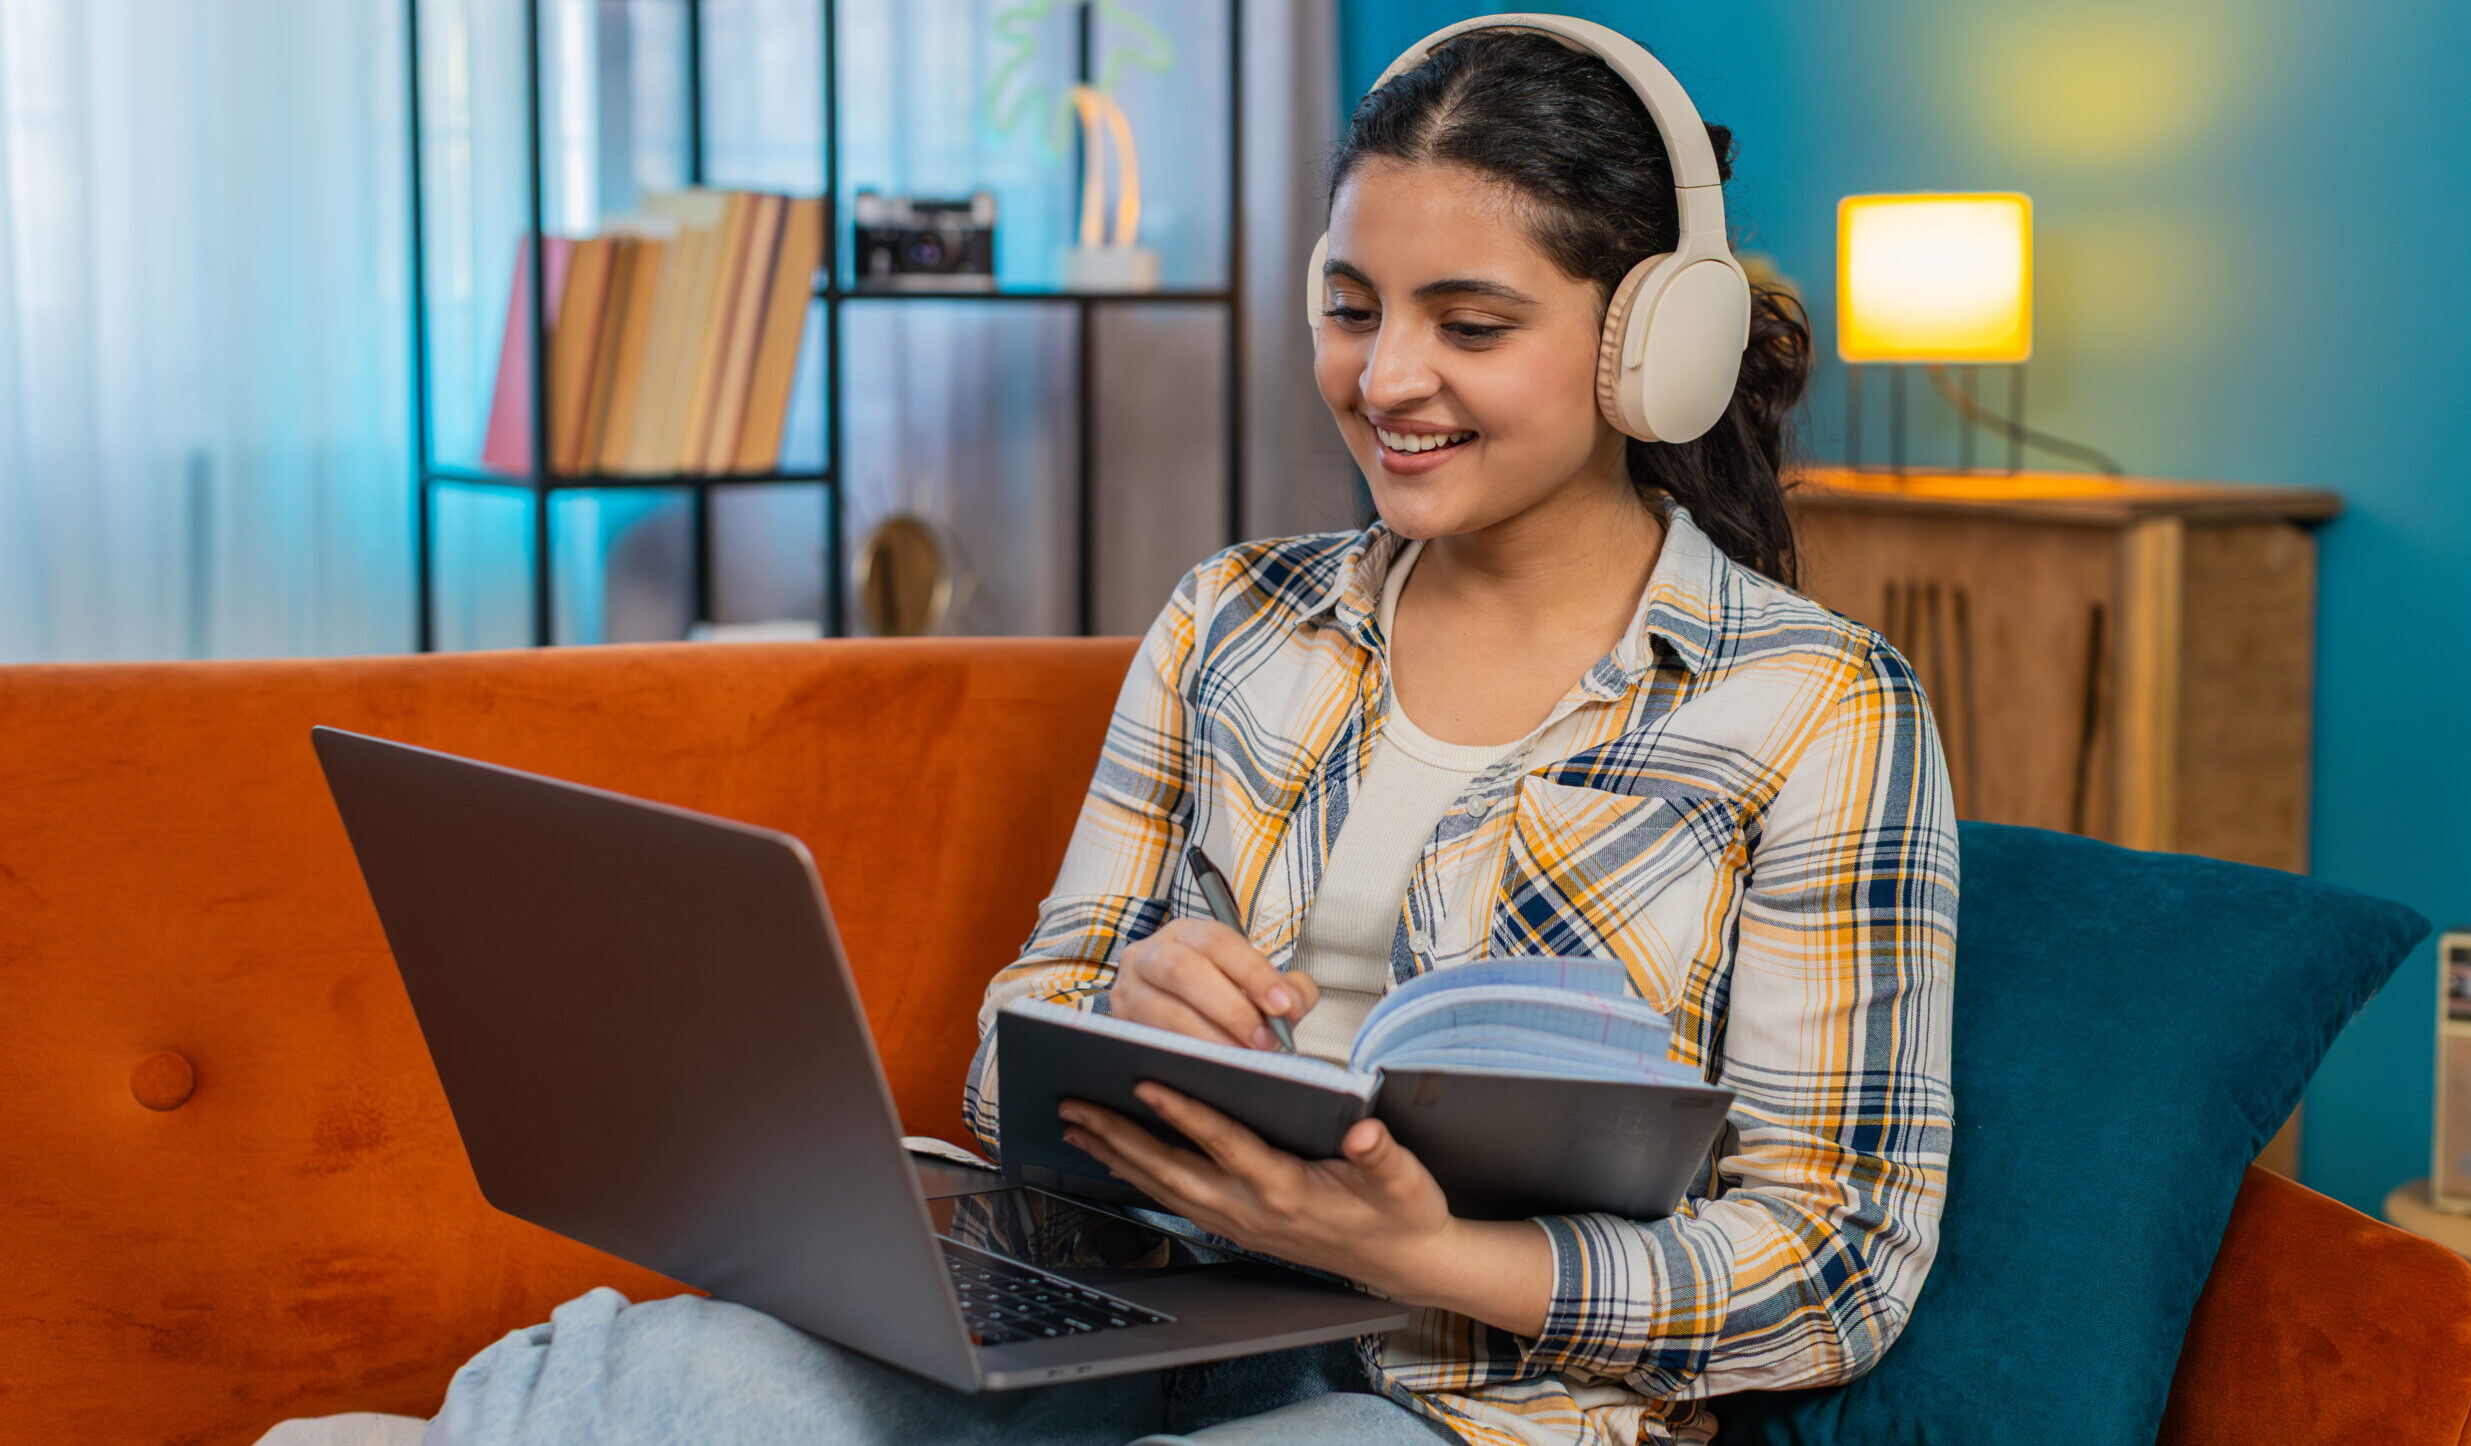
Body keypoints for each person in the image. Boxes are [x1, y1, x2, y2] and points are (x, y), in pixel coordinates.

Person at [418, 22, 1957, 1446]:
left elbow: (1837, 1263)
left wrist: (1428, 1249)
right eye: (1351, 310)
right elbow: (1015, 1039)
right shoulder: (1232, 617)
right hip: (1151, 1305)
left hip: (1470, 1400)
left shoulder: (1819, 705)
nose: (1387, 377)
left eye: (1470, 324)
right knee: (658, 1377)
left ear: (1648, 348)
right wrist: (1116, 1013)